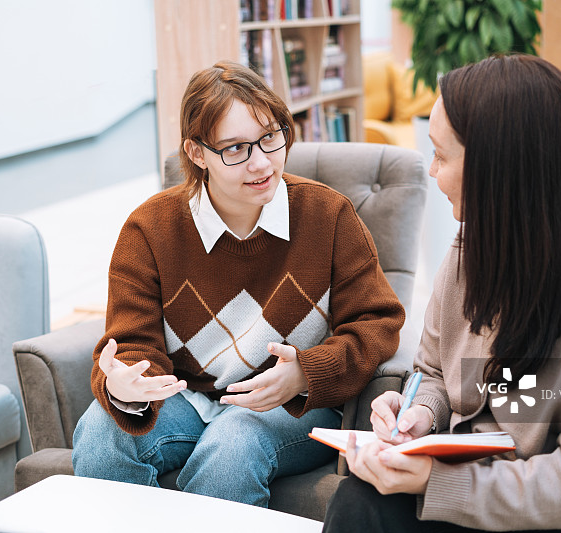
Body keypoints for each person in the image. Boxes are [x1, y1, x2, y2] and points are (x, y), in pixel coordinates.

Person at [322, 54, 561, 532]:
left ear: (499, 170)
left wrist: (435, 482)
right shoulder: (471, 250)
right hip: (490, 481)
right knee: (361, 500)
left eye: (441, 155)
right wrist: (419, 413)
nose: (432, 172)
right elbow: (432, 370)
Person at [71, 60, 406, 507]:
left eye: (270, 137)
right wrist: (127, 389)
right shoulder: (150, 229)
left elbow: (377, 322)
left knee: (233, 442)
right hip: (187, 400)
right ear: (195, 153)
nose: (262, 162)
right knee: (99, 429)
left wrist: (306, 373)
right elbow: (133, 346)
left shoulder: (328, 216)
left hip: (291, 407)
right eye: (235, 149)